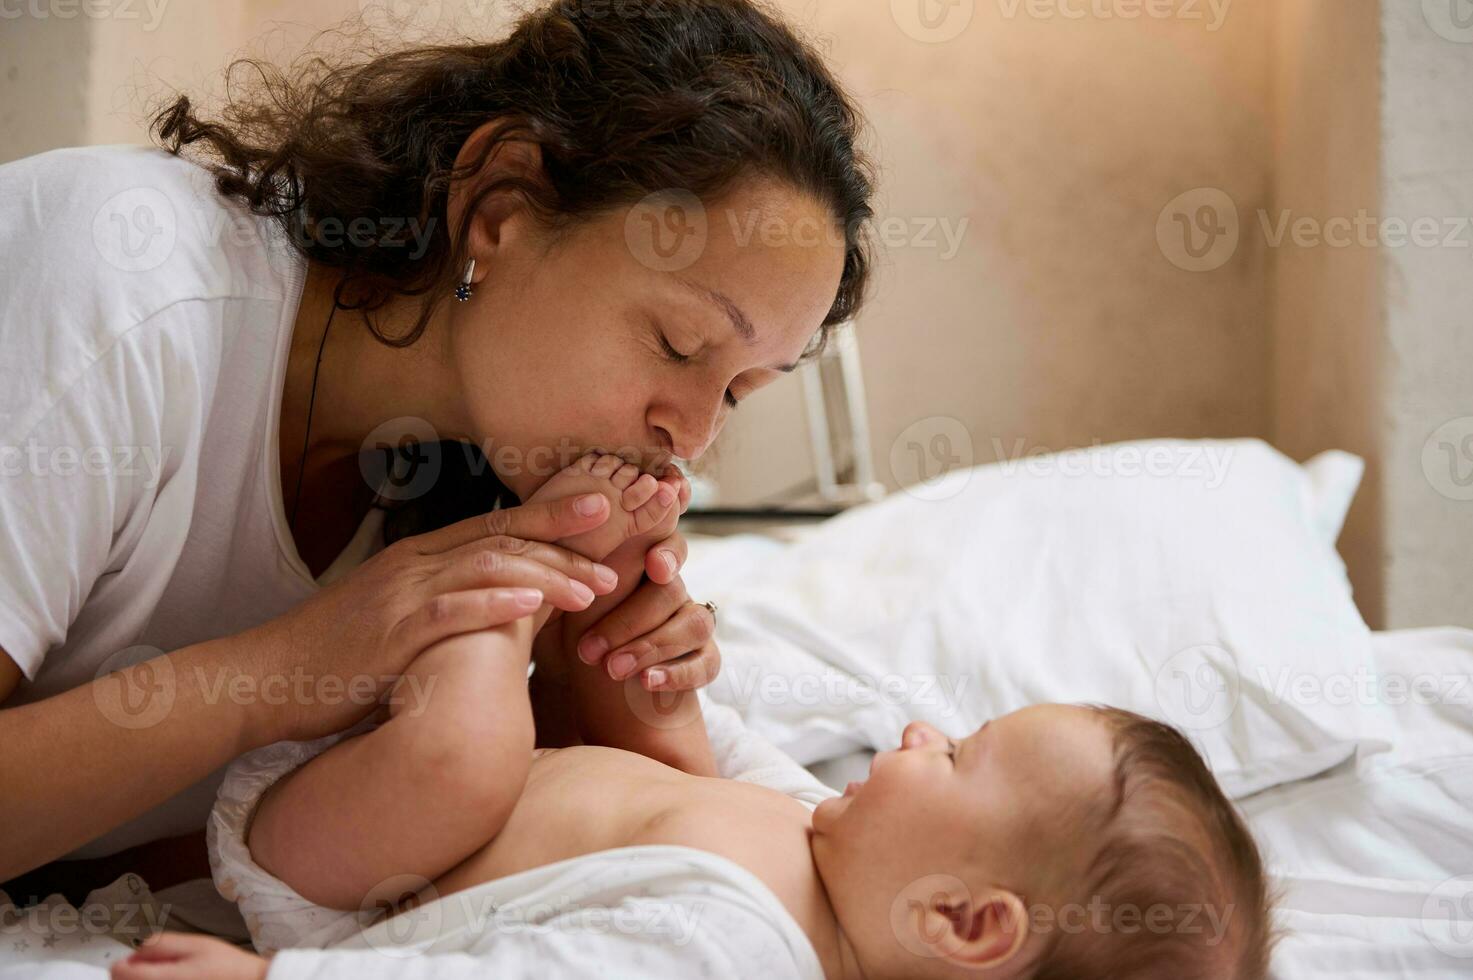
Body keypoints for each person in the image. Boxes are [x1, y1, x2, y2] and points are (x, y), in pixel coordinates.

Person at [0, 0, 877, 896]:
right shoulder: (119, 284)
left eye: (736, 390)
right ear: (499, 208)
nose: (690, 437)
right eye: (677, 346)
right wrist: (277, 673)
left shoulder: (485, 471)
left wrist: (589, 692)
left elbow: (233, 867)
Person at [109, 453, 1276, 980]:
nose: (920, 735)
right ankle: (578, 578)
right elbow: (689, 764)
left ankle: (515, 580)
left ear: (964, 920)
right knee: (602, 705)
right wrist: (657, 660)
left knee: (470, 748)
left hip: (342, 873)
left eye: (960, 755)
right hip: (396, 805)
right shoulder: (824, 834)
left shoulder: (737, 953)